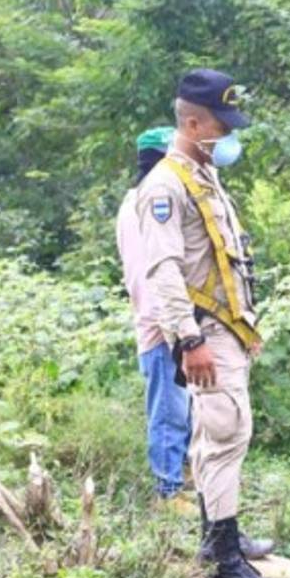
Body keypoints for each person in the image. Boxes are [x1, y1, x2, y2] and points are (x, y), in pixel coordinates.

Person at [137, 69, 282, 578]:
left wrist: (245, 325)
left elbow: (222, 261)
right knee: (226, 434)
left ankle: (217, 535)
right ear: (194, 124)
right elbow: (164, 271)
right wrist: (189, 340)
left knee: (212, 437)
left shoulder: (203, 174)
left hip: (225, 328)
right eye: (222, 126)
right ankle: (227, 567)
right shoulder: (165, 185)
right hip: (203, 332)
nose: (229, 135)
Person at [116, 127, 193, 511]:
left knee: (182, 407)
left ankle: (183, 479)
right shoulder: (148, 203)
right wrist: (171, 326)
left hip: (167, 321)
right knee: (168, 411)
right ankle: (167, 491)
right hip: (161, 324)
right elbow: (149, 273)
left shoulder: (139, 199)